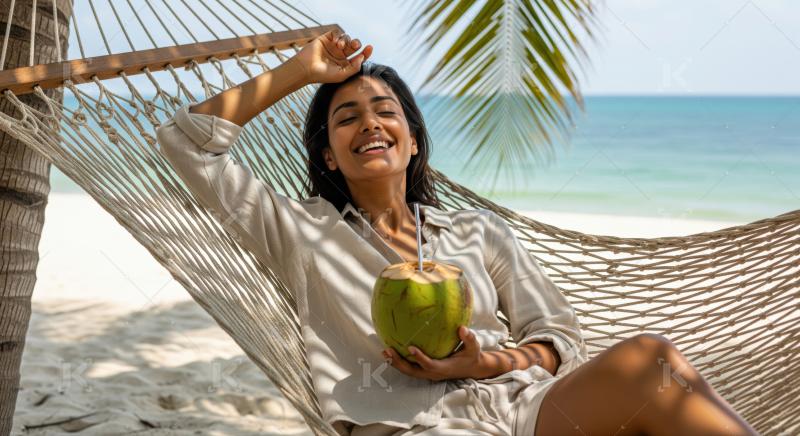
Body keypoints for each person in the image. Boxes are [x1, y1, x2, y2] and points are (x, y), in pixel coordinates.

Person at [155, 29, 759, 436]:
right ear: (330, 156)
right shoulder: (296, 229)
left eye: (385, 111)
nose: (369, 122)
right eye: (347, 117)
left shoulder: (477, 233)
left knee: (651, 361)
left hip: (526, 411)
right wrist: (299, 71)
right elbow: (187, 145)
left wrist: (482, 362)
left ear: (412, 140)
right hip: (414, 427)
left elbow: (559, 341)